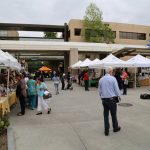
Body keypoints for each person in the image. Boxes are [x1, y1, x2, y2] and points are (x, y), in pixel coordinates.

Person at [98, 66, 121, 136]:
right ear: (110, 71)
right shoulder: (113, 79)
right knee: (113, 114)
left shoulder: (101, 79)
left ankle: (106, 130)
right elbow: (116, 89)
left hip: (104, 100)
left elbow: (99, 90)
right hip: (112, 99)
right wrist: (119, 96)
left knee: (105, 115)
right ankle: (115, 127)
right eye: (112, 71)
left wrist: (102, 96)